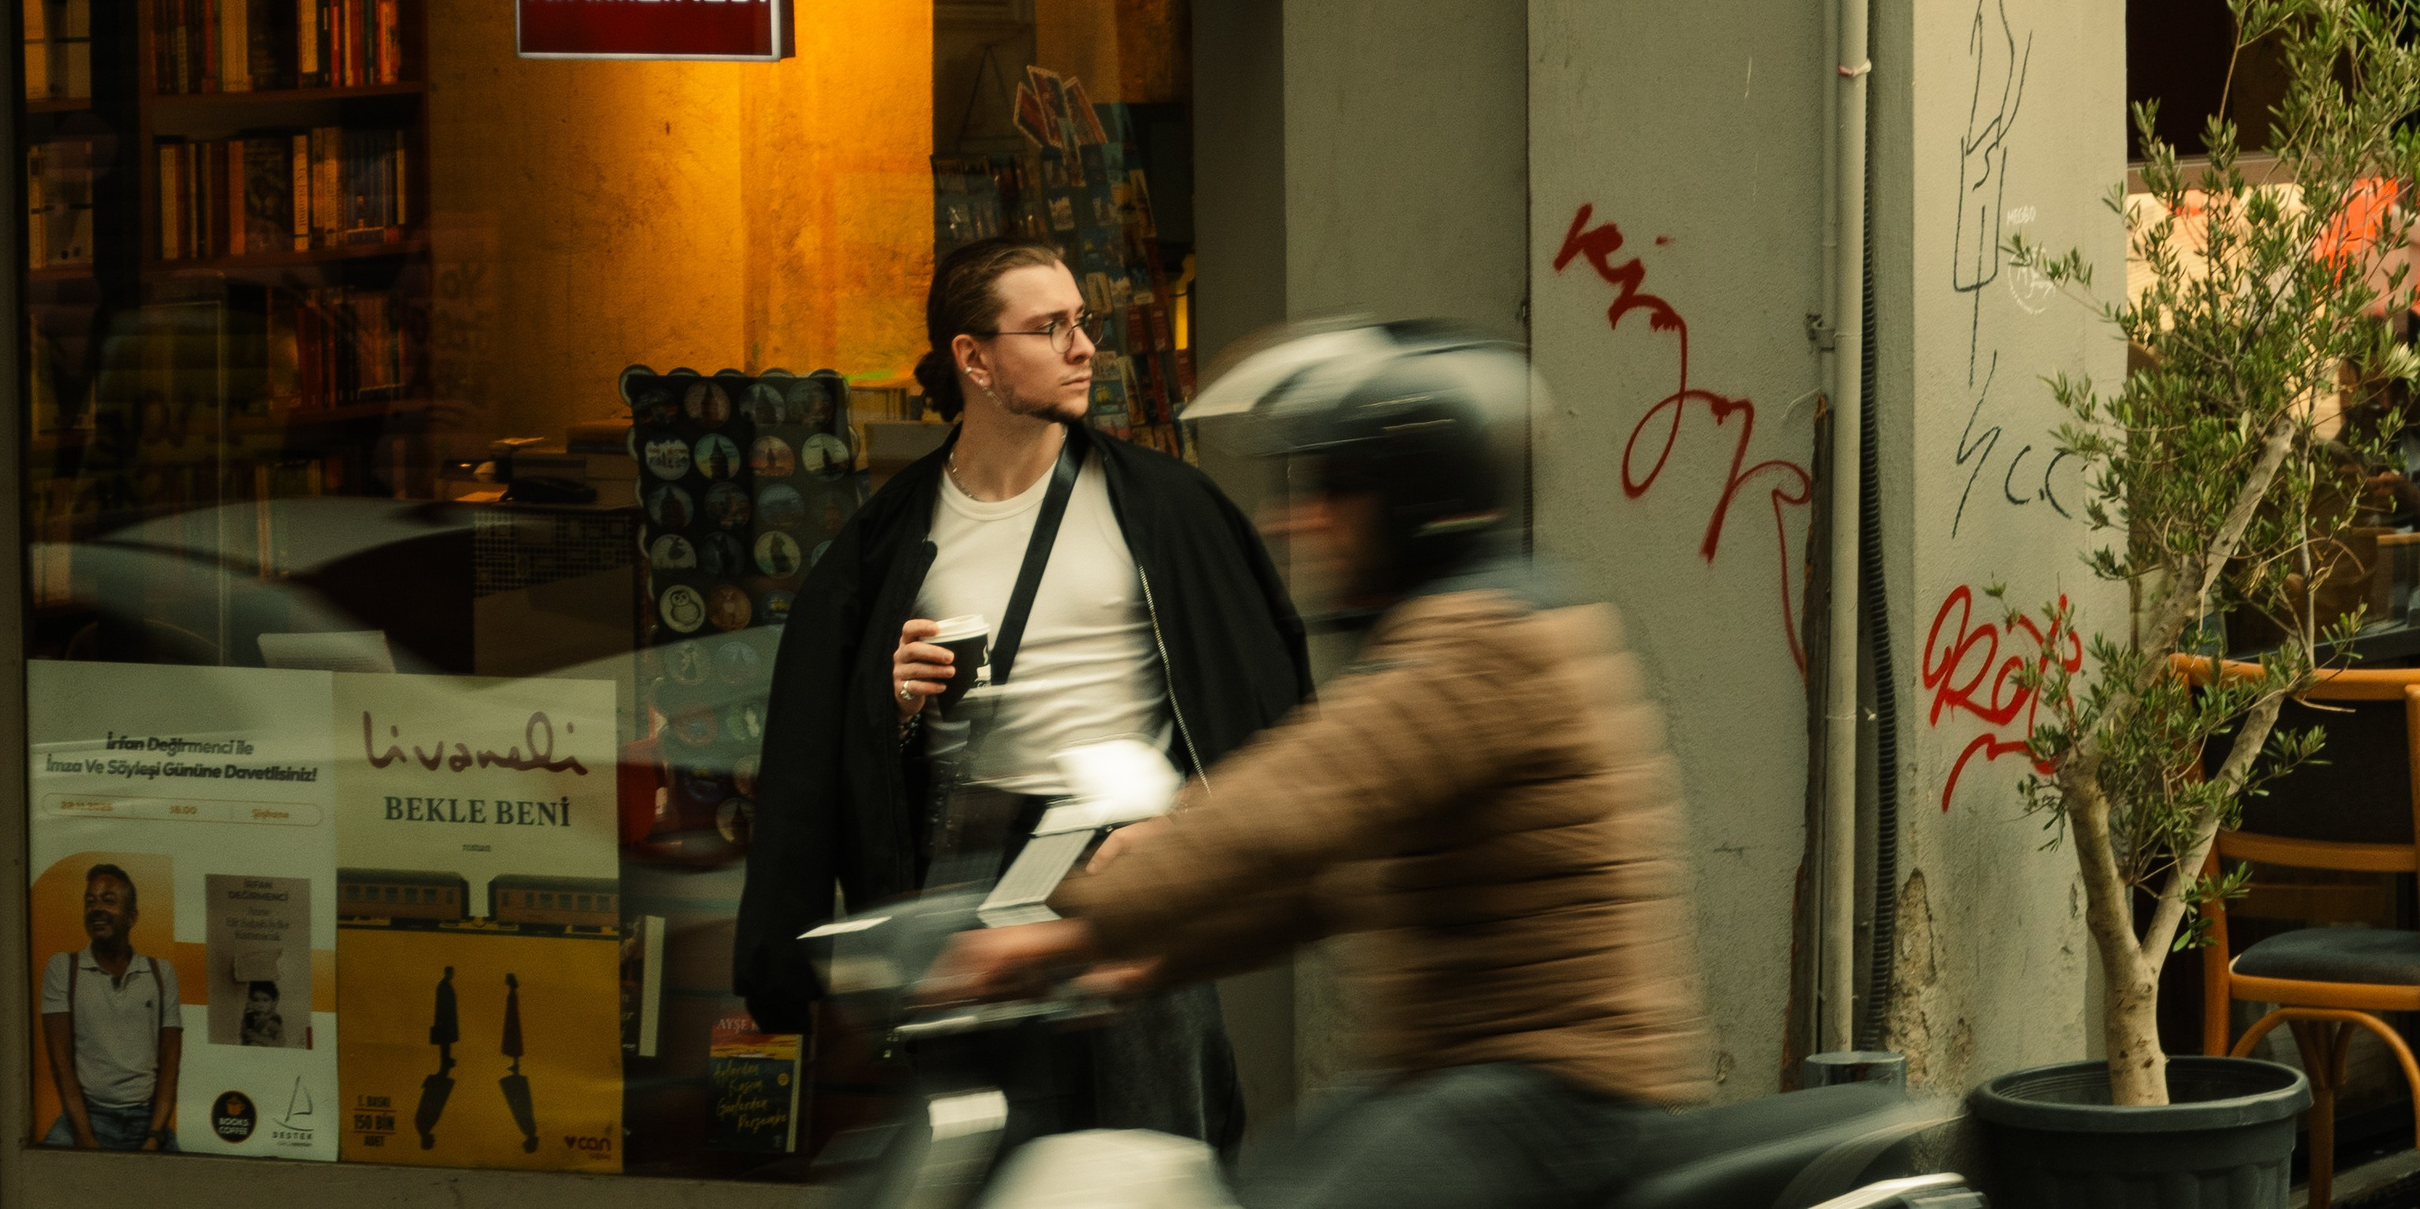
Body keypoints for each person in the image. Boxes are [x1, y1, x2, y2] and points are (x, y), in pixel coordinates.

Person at [928, 321, 1713, 1209]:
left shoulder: (1489, 642)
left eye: (1333, 487)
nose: (1292, 519)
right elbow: (1329, 884)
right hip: (1465, 1080)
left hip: (1549, 1095)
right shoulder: (1474, 625)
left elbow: (1291, 807)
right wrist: (1113, 952)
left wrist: (1085, 905)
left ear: (1419, 498)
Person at [734, 237, 1312, 1149]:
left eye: (1082, 322)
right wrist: (894, 705)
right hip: (976, 873)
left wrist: (1194, 829)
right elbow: (819, 746)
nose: (1086, 347)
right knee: (987, 1152)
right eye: (1050, 328)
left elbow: (1269, 696)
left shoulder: (1165, 507)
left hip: (1129, 862)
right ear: (974, 359)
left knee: (1154, 1151)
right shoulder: (890, 540)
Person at [40, 863, 183, 1152]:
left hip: (147, 1120)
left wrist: (155, 1136)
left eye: (109, 900)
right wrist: (85, 1137)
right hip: (86, 1117)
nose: (96, 908)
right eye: (90, 901)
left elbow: (170, 1062)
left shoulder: (160, 972)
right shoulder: (63, 969)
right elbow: (61, 1063)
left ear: (132, 917)